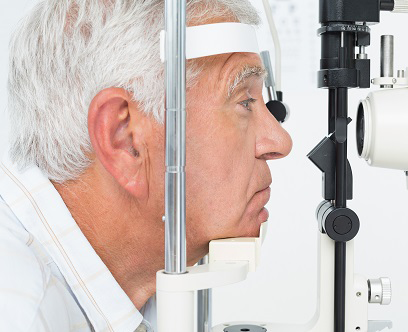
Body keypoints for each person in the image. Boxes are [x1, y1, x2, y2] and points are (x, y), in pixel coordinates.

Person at [0, 0, 292, 331]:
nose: (280, 142)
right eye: (244, 102)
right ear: (125, 140)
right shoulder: (19, 312)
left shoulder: (138, 292)